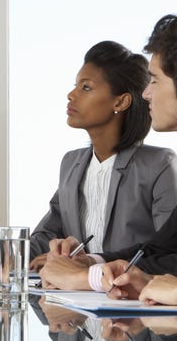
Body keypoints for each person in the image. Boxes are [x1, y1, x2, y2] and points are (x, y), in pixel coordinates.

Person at [40, 15, 177, 301]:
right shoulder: (72, 164)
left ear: (120, 101)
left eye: (155, 80)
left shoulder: (160, 164)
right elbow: (164, 248)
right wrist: (91, 262)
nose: (146, 93)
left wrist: (88, 276)